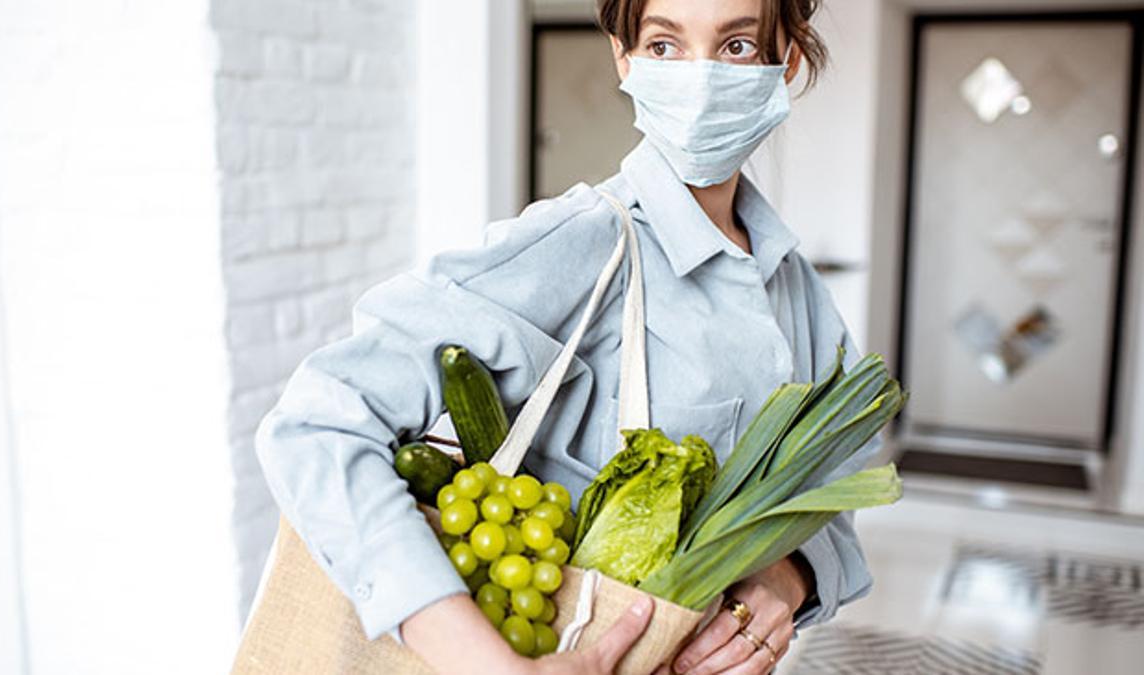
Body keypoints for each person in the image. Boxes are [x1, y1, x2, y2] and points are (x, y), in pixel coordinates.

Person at [255, 0, 880, 673]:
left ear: (783, 60)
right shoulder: (583, 241)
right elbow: (318, 419)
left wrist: (789, 577)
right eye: (666, 46)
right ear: (625, 57)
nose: (698, 78)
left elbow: (845, 476)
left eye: (734, 47)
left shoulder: (795, 285)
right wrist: (487, 663)